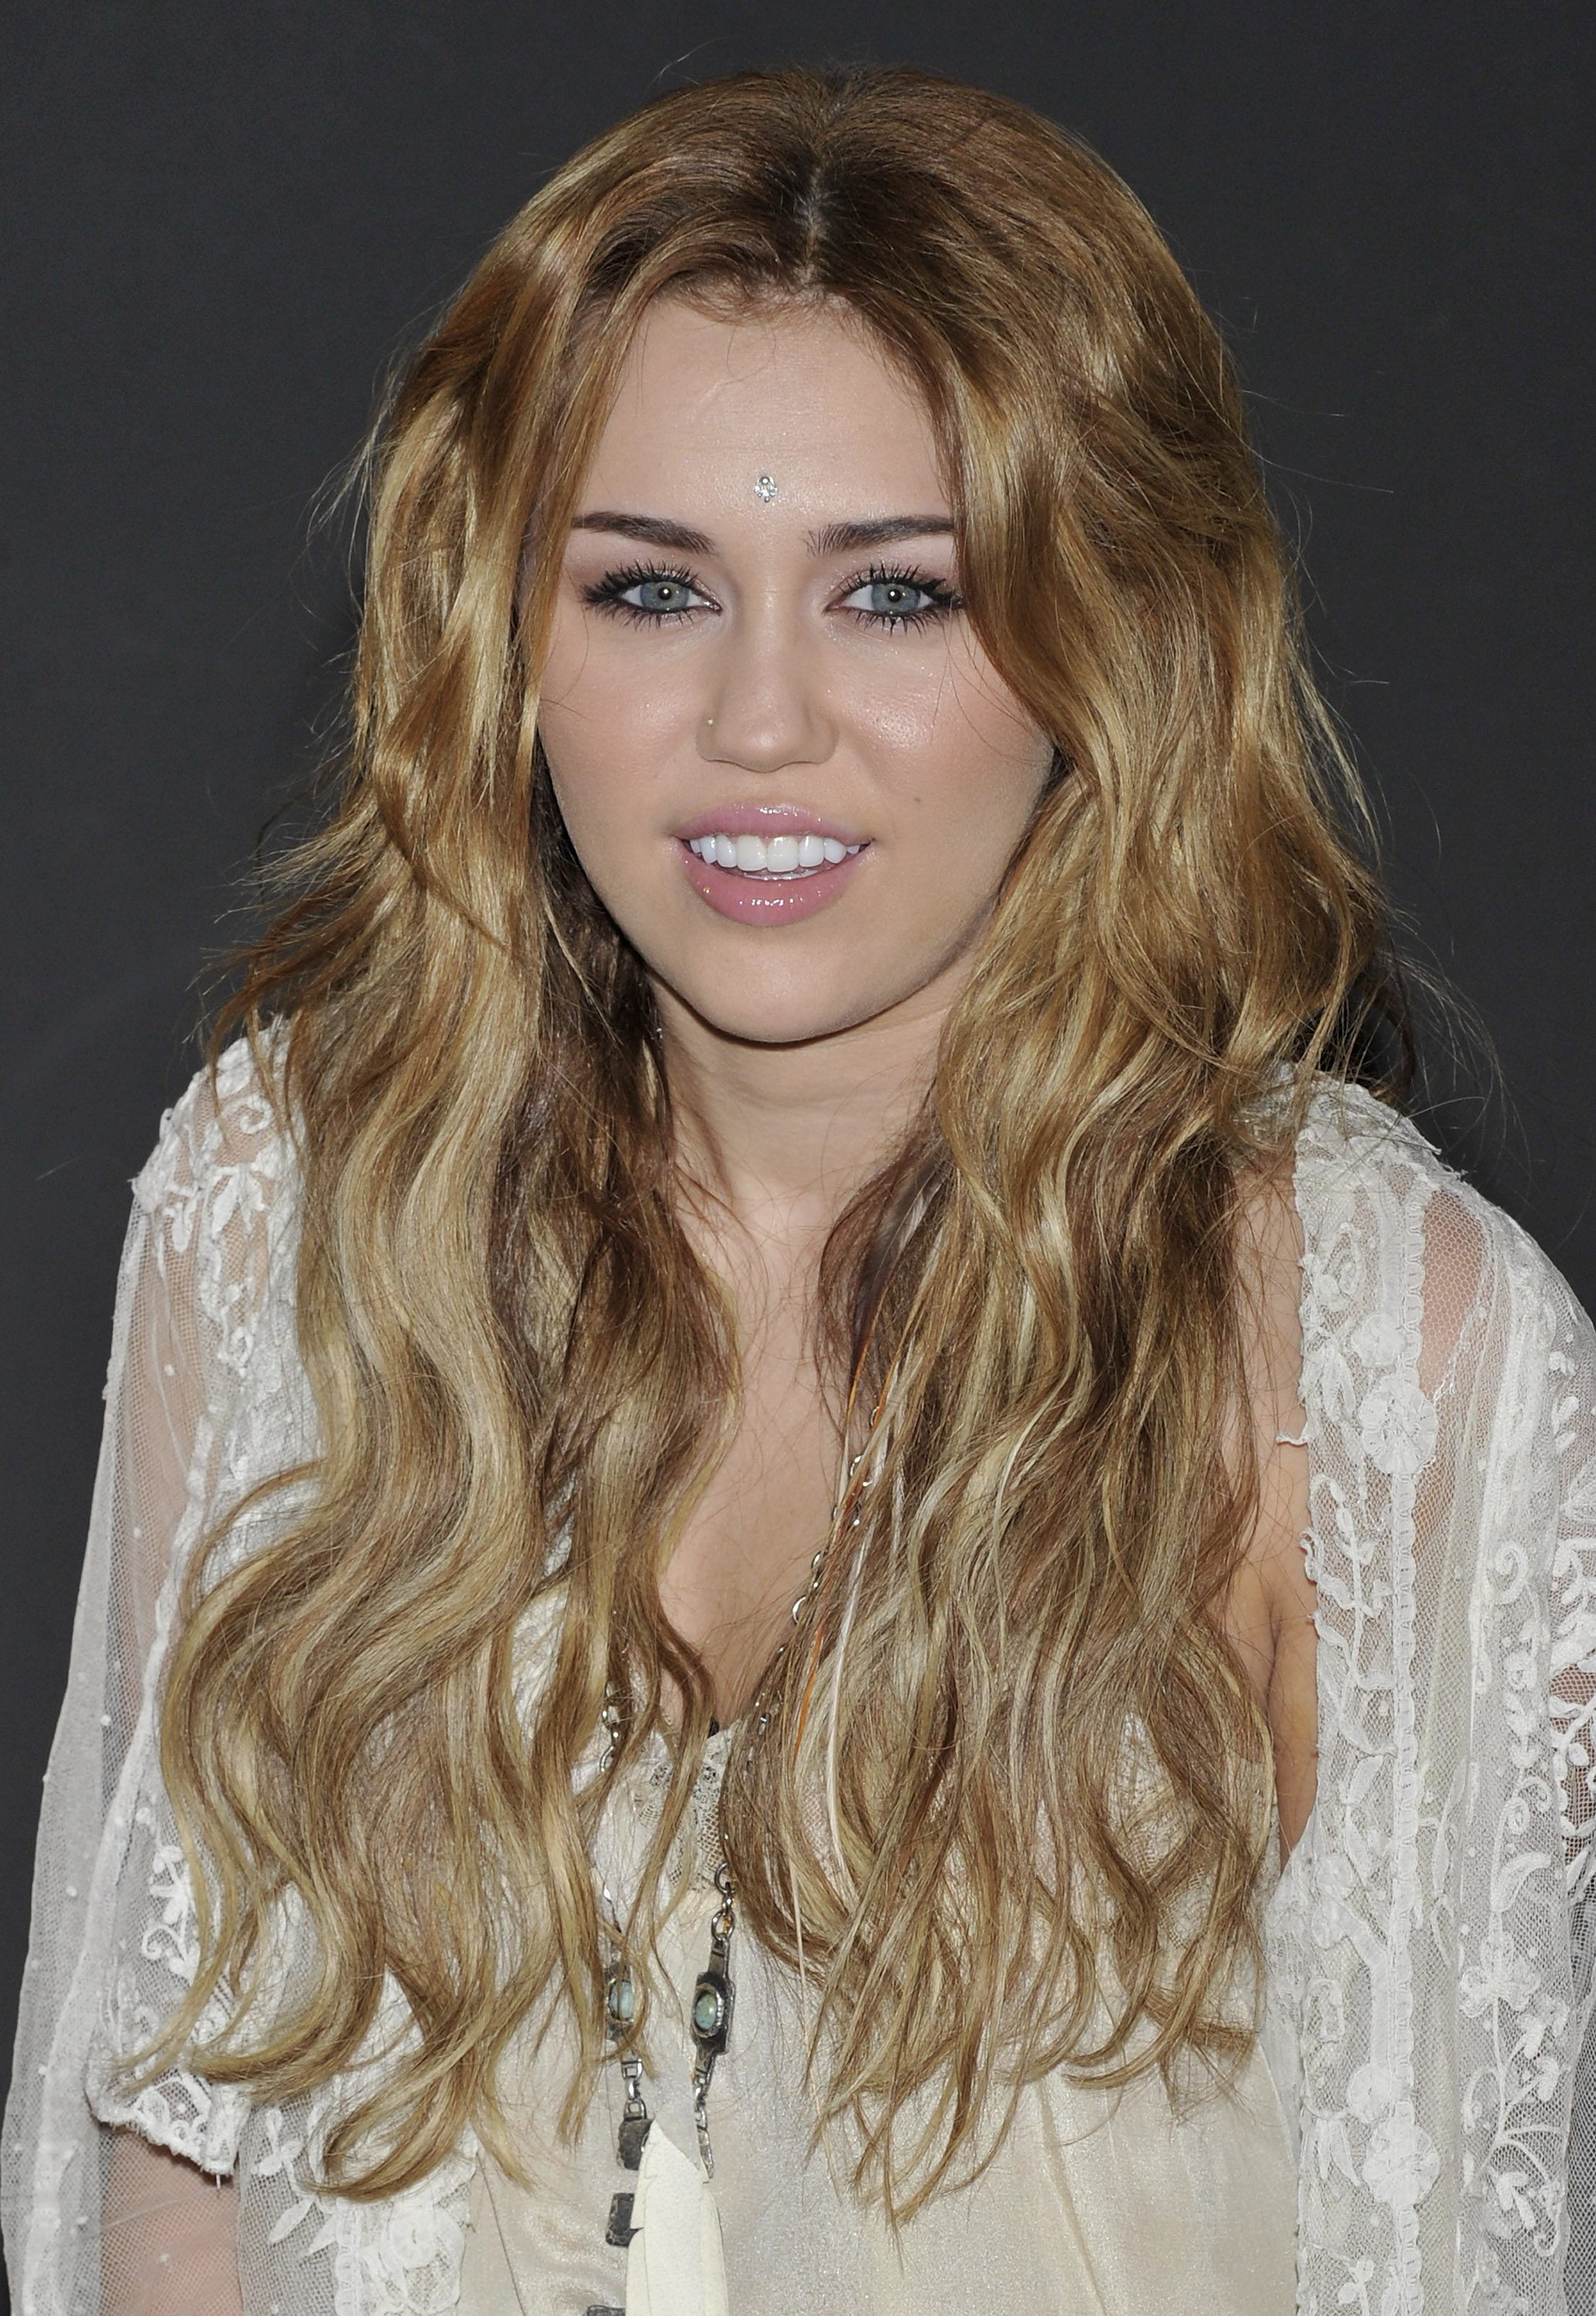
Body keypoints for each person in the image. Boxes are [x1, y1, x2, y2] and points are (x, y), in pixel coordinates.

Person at [5, 59, 1594, 2316]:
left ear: (1112, 639)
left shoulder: (1385, 1360)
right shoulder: (295, 1223)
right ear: (502, 635)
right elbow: (171, 2160)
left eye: (900, 596)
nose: (761, 724)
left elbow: (1451, 2260)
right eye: (653, 589)